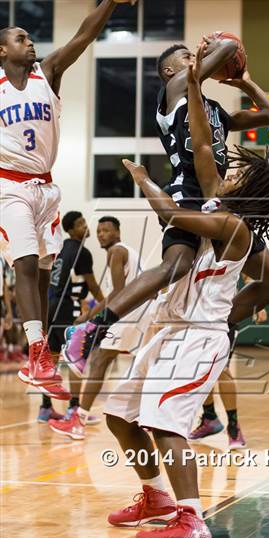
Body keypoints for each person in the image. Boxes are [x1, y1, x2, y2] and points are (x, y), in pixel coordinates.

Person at [102, 44, 269, 538]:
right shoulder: (224, 207)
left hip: (196, 336)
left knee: (167, 425)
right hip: (171, 326)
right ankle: (155, 497)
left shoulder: (230, 222)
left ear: (242, 189)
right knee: (121, 414)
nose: (228, 169)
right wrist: (235, 313)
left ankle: (191, 519)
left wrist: (145, 179)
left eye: (237, 173)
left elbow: (172, 214)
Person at [64, 35, 269, 373]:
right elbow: (227, 48)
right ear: (170, 71)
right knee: (177, 265)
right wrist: (218, 46)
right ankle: (92, 328)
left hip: (221, 197)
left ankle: (218, 325)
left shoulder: (215, 111)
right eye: (187, 56)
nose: (195, 58)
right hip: (188, 190)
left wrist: (245, 82)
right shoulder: (172, 95)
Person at [0, 0, 138, 399]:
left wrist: (109, 2)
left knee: (43, 272)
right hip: (10, 185)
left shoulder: (48, 73)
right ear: (2, 51)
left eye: (29, 37)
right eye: (20, 38)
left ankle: (37, 359)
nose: (30, 42)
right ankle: (38, 351)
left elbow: (84, 35)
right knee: (24, 261)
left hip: (46, 188)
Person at [49, 216, 148, 440]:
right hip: (142, 314)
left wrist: (89, 316)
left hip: (129, 315)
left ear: (118, 232)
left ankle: (78, 419)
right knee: (144, 366)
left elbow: (117, 294)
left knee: (100, 361)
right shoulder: (127, 252)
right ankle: (150, 416)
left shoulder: (117, 252)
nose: (101, 234)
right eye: (99, 230)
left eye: (107, 230)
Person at [37, 211, 104, 423]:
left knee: (53, 360)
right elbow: (92, 285)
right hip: (66, 309)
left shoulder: (62, 249)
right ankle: (74, 408)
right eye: (80, 223)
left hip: (50, 308)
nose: (86, 226)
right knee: (76, 358)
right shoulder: (82, 252)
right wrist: (107, 304)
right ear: (71, 230)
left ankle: (45, 408)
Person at [189, 288, 268, 448]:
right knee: (201, 369)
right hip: (197, 314)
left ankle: (233, 426)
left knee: (222, 369)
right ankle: (209, 417)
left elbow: (252, 276)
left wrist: (258, 304)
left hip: (226, 315)